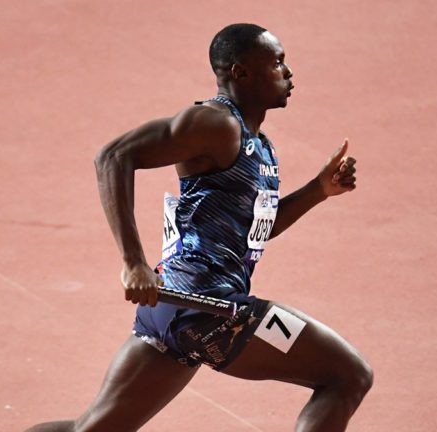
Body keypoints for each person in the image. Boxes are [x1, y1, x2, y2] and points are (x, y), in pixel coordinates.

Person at [25, 23, 372, 432]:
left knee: (89, 430)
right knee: (348, 376)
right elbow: (113, 157)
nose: (288, 72)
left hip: (172, 311)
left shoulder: (259, 145)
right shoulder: (214, 123)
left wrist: (319, 190)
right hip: (210, 309)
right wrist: (133, 262)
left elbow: (257, 228)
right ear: (241, 72)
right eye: (277, 63)